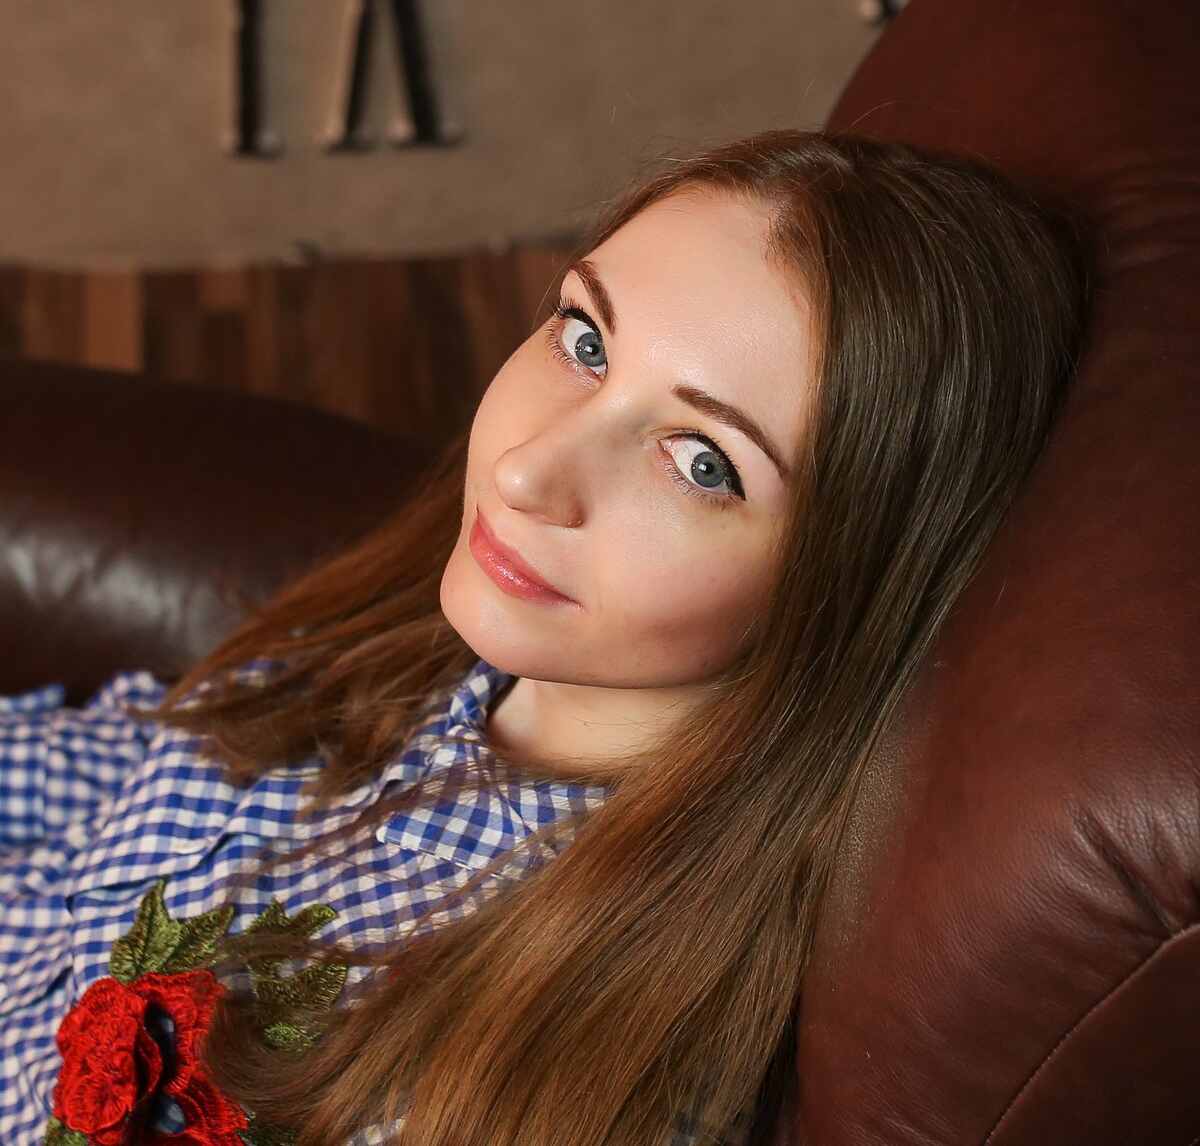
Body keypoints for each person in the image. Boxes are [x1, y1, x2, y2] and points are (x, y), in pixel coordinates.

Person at [0, 129, 1089, 1146]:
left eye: (702, 461)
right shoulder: (425, 648)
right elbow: (116, 771)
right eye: (585, 340)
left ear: (851, 577)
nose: (526, 472)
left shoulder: (556, 1073)